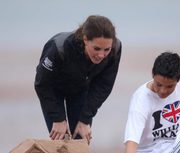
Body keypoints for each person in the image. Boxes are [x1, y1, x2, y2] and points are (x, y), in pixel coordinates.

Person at [35, 15, 122, 143]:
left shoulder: (116, 48)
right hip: (53, 91)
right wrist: (58, 118)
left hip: (81, 90)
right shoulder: (59, 47)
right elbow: (42, 84)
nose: (101, 55)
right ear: (85, 40)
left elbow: (103, 86)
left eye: (106, 49)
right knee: (61, 141)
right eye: (97, 48)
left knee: (80, 141)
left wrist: (85, 119)